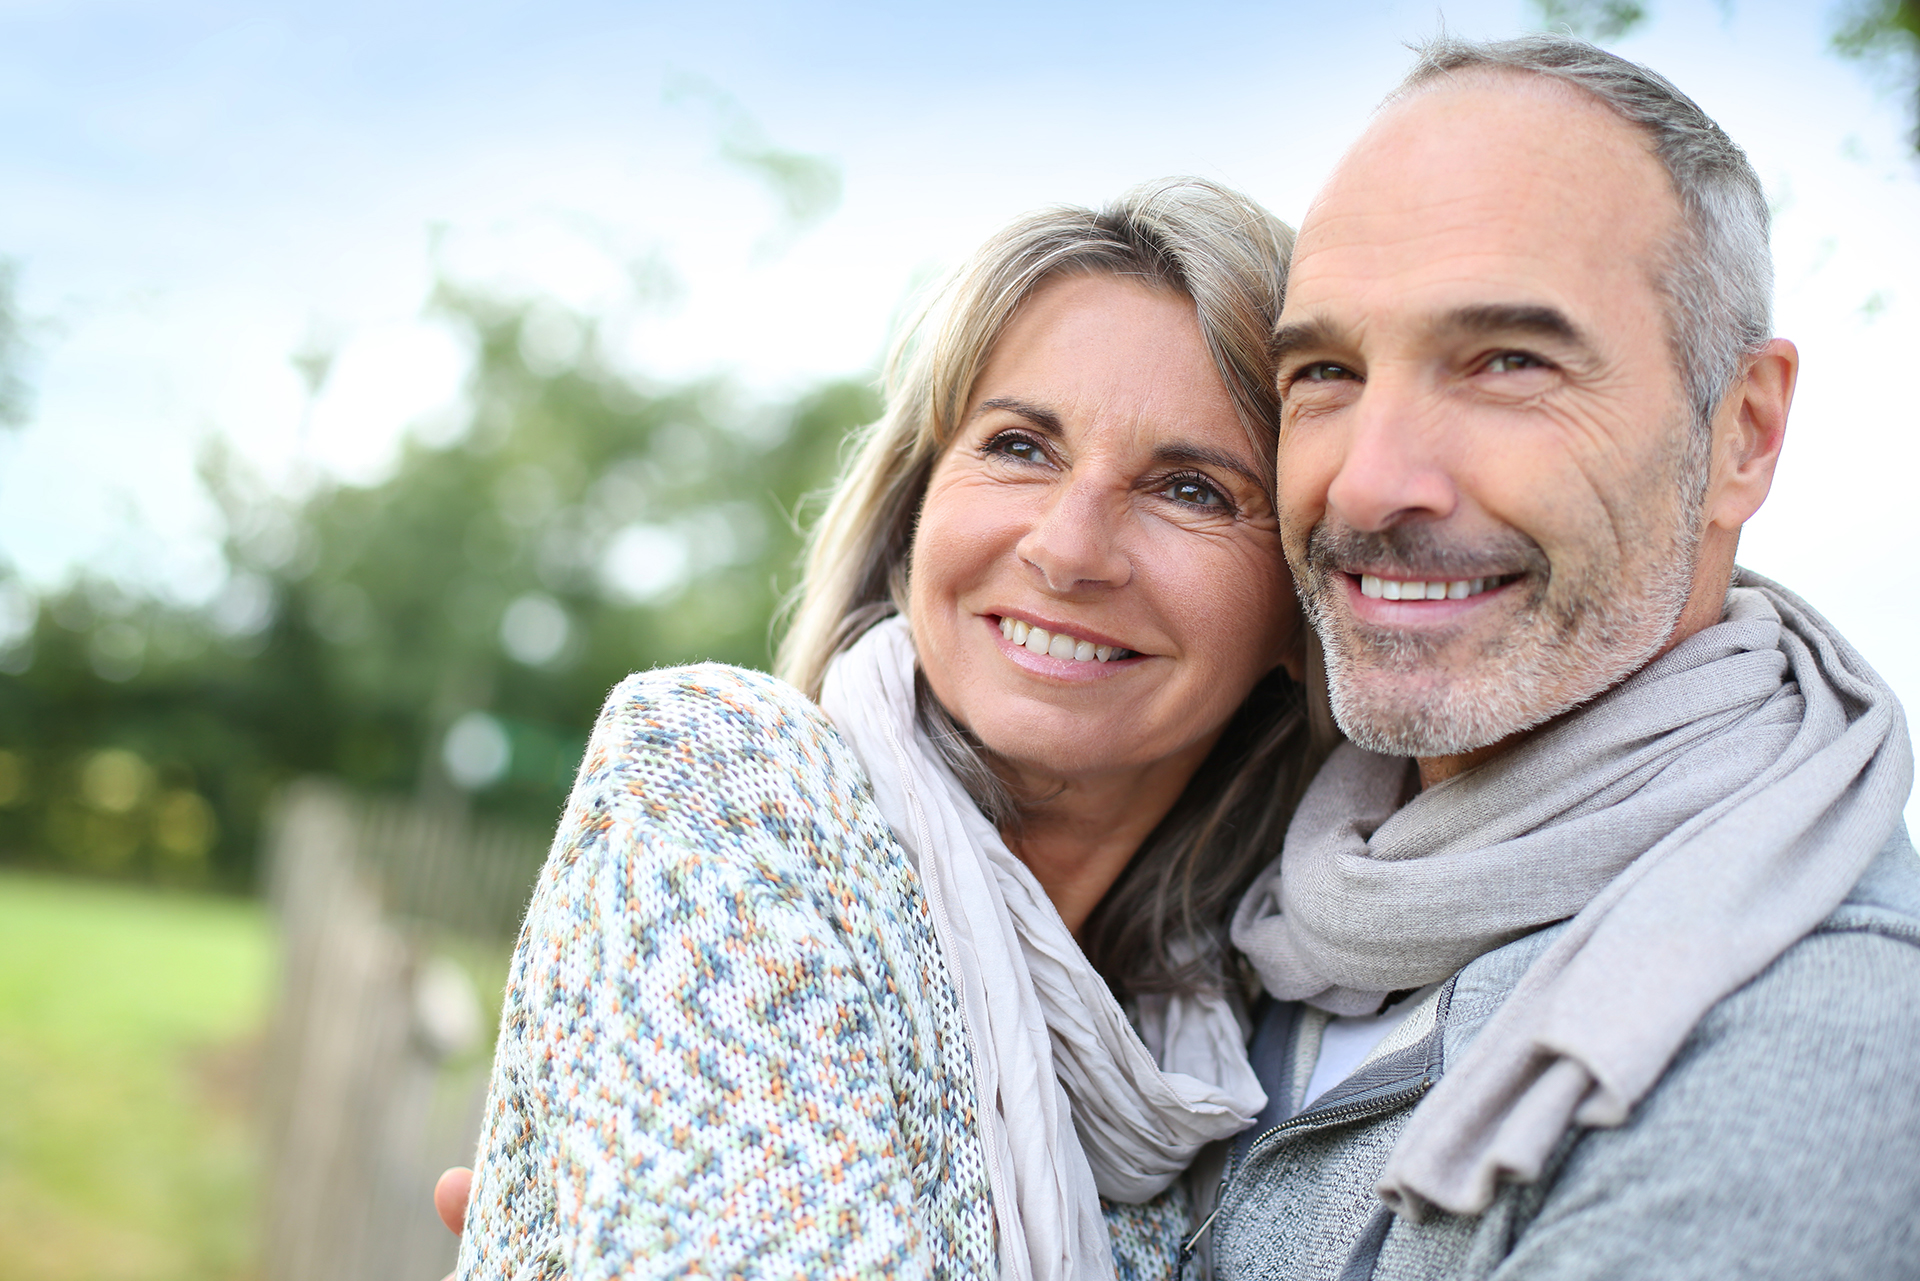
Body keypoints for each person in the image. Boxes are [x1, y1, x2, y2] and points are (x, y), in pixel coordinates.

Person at [445, 179, 1330, 1281]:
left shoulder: (1250, 1033)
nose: (1068, 549)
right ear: (915, 511)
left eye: (1192, 488)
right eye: (1018, 447)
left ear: (1303, 607)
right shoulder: (724, 789)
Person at [1200, 35, 1920, 1280]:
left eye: (1510, 362)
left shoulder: (1802, 1030)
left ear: (1741, 433)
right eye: (1325, 371)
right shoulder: (1243, 878)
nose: (1370, 480)